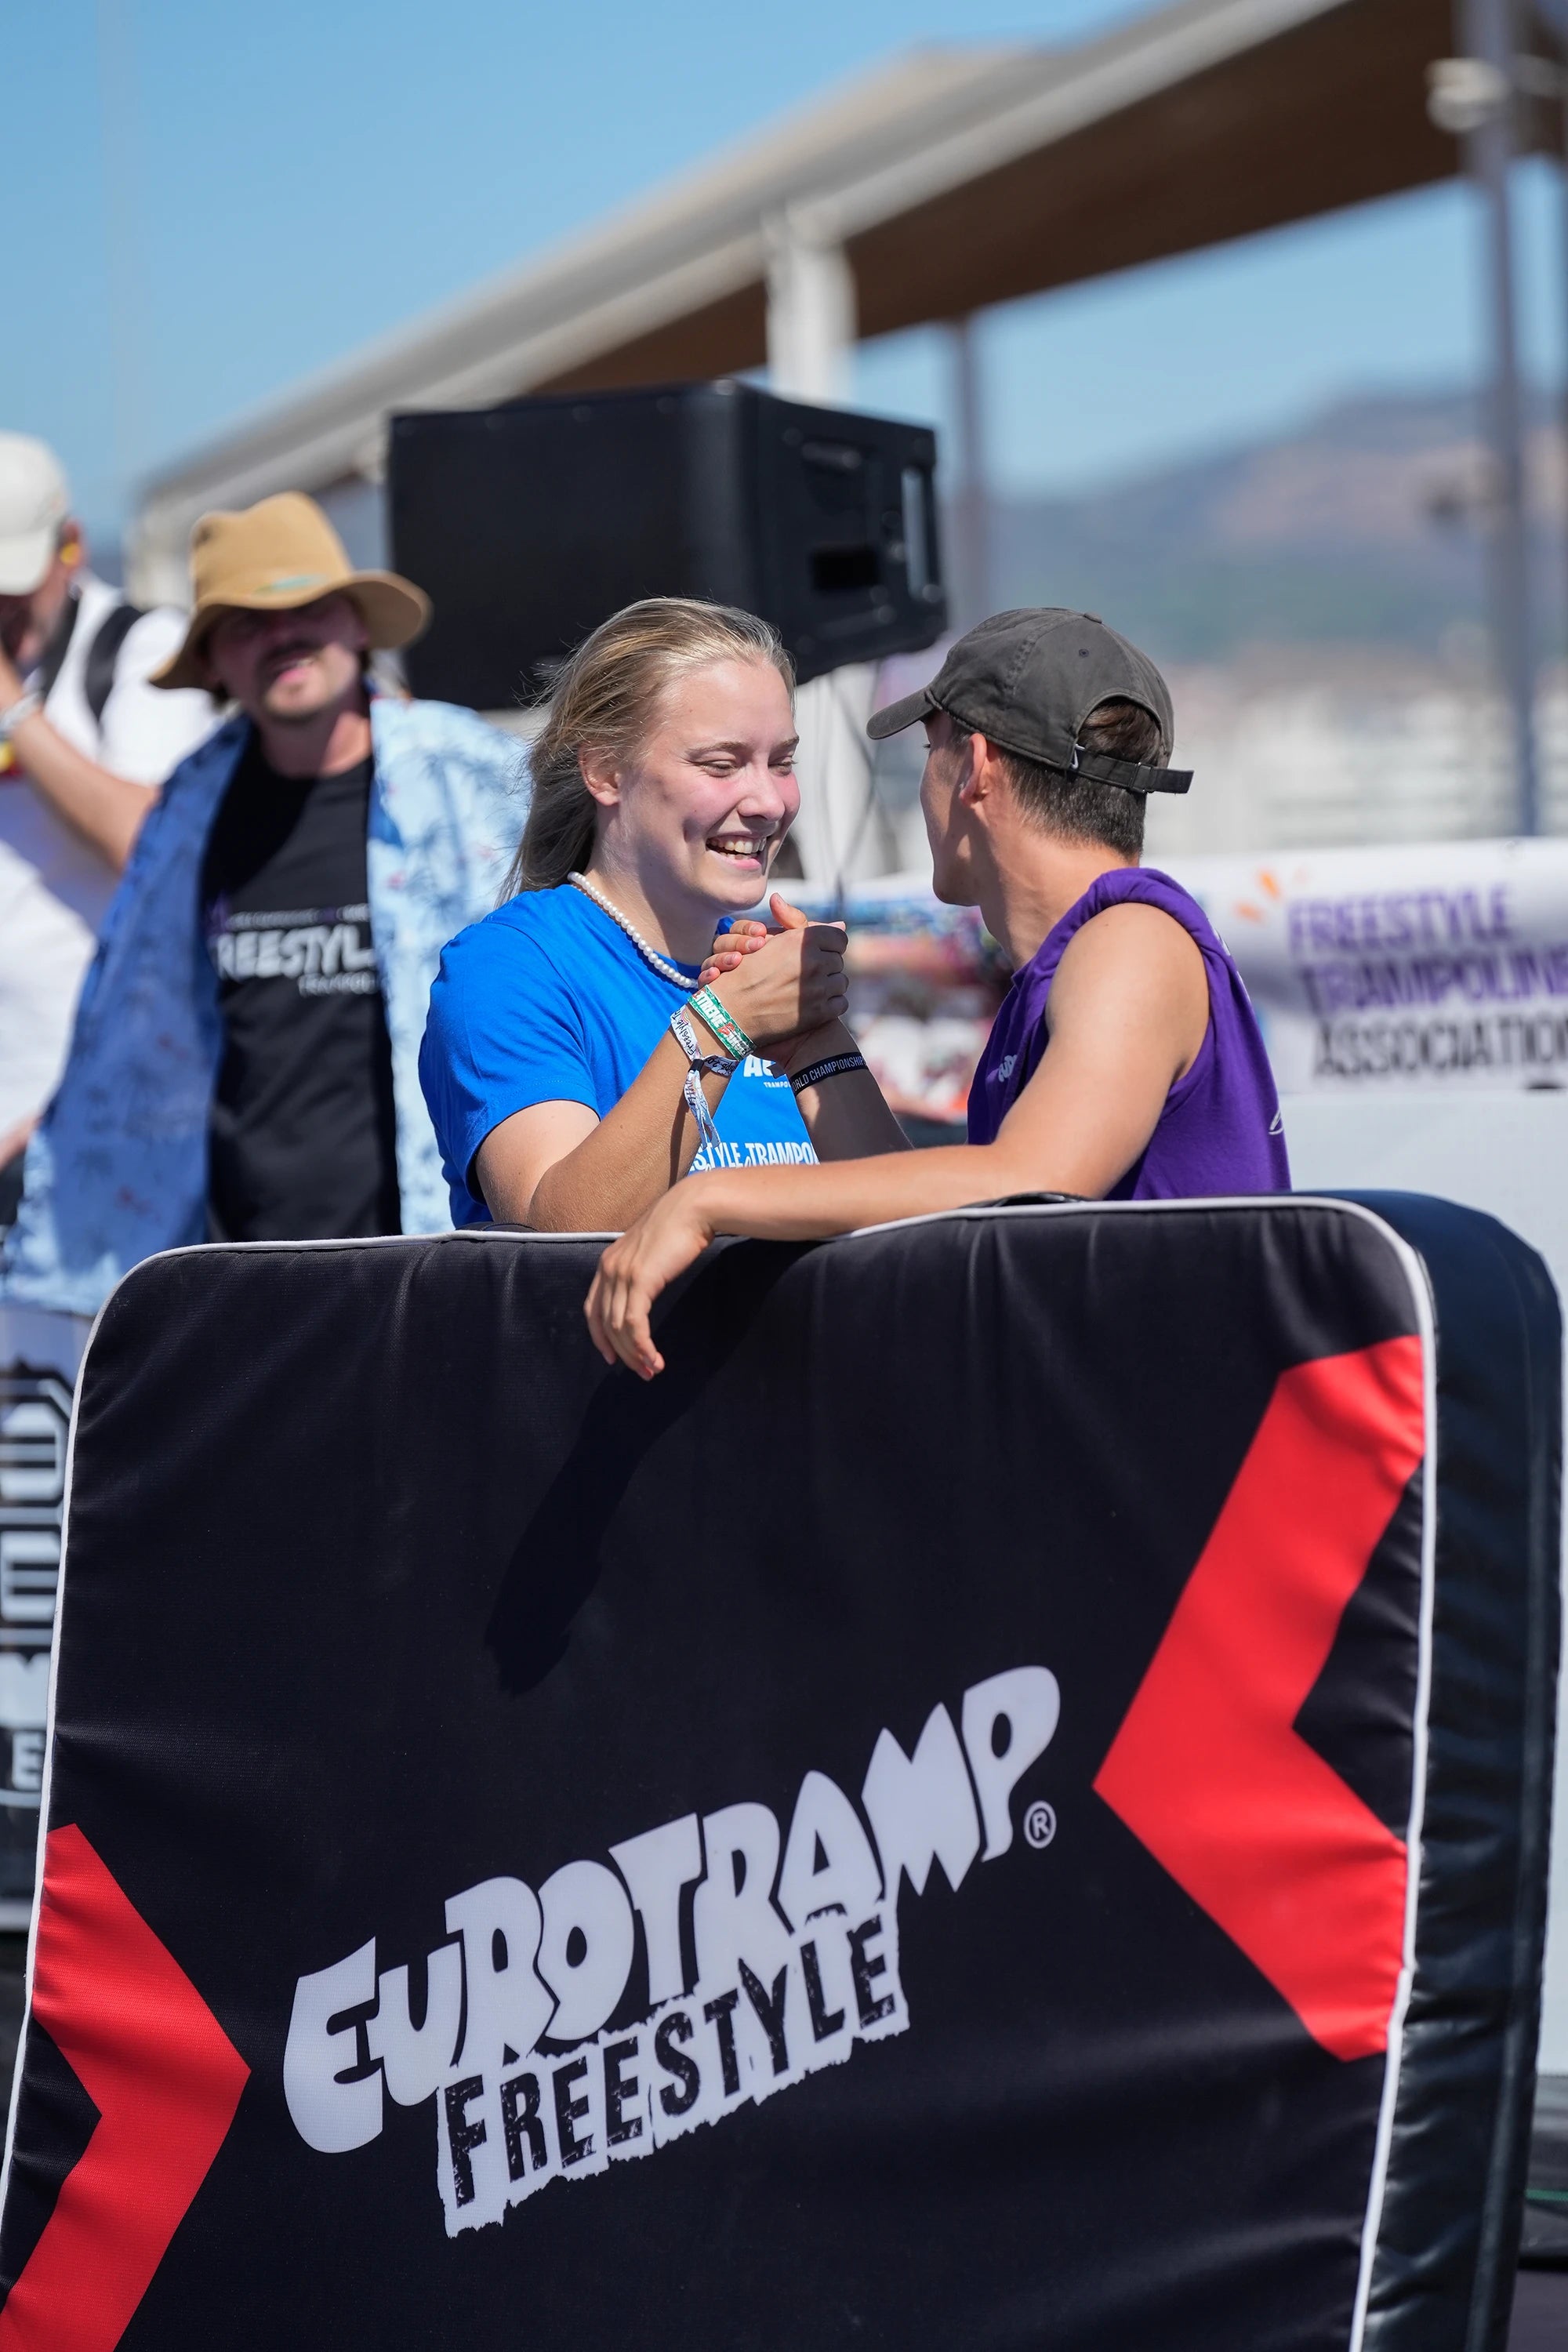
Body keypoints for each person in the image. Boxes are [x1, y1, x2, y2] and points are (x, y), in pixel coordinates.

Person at [584, 607, 1291, 1376]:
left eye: (928, 751)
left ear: (975, 766)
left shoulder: (1128, 941)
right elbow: (939, 1221)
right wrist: (813, 1045)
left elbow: (1027, 1182)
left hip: (1185, 1470)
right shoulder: (1067, 967)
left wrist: (706, 1200)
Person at [0, 492, 523, 1316]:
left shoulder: (472, 780)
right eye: (246, 623)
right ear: (212, 664)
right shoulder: (188, 814)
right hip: (240, 1285)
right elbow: (136, 1030)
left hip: (436, 1271)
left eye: (307, 607)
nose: (282, 635)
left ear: (357, 626)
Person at [420, 599, 906, 1234]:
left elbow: (907, 1240)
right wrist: (724, 1025)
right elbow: (560, 1234)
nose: (767, 801)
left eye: (782, 762)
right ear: (604, 770)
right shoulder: (510, 967)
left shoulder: (756, 969)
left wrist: (816, 1039)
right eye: (721, 764)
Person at [0, 433, 213, 1205]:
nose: (2, 607)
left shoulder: (140, 650)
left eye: (12, 581)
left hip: (90, 1129)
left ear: (71, 546)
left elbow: (150, 844)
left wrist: (13, 715)